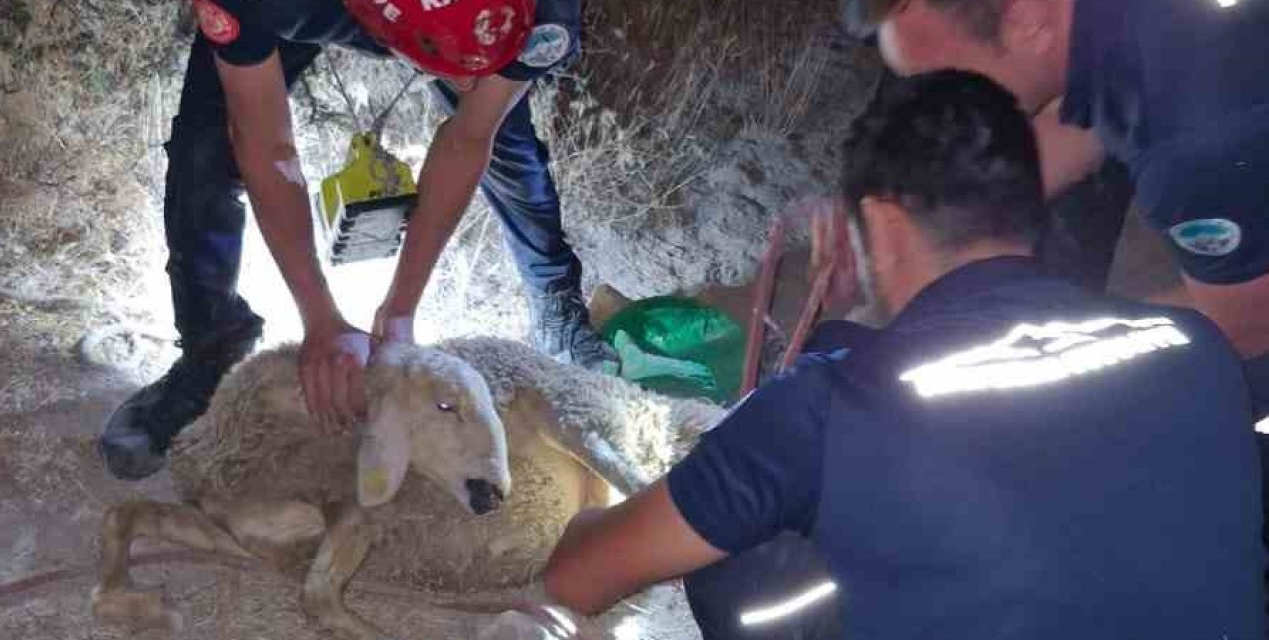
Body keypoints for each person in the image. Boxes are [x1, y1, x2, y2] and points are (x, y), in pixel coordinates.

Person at [540, 70, 1266, 639]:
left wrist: (585, 520)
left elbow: (581, 577)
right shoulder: (1194, 344)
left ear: (881, 223)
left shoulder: (828, 407)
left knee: (749, 554)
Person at [99, 0, 619, 480]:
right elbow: (263, 139)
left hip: (464, 26)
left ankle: (555, 299)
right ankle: (211, 349)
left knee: (506, 138)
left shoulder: (545, 15)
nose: (465, 82)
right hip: (329, 10)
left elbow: (468, 138)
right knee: (206, 151)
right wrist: (318, 317)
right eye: (460, 70)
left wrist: (400, 309)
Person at [843, 0, 1269, 418]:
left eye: (949, 85)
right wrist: (898, 225)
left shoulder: (1187, 158)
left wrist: (1045, 346)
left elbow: (1241, 333)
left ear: (1025, 18)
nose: (943, 113)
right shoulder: (1118, 34)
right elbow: (1091, 126)